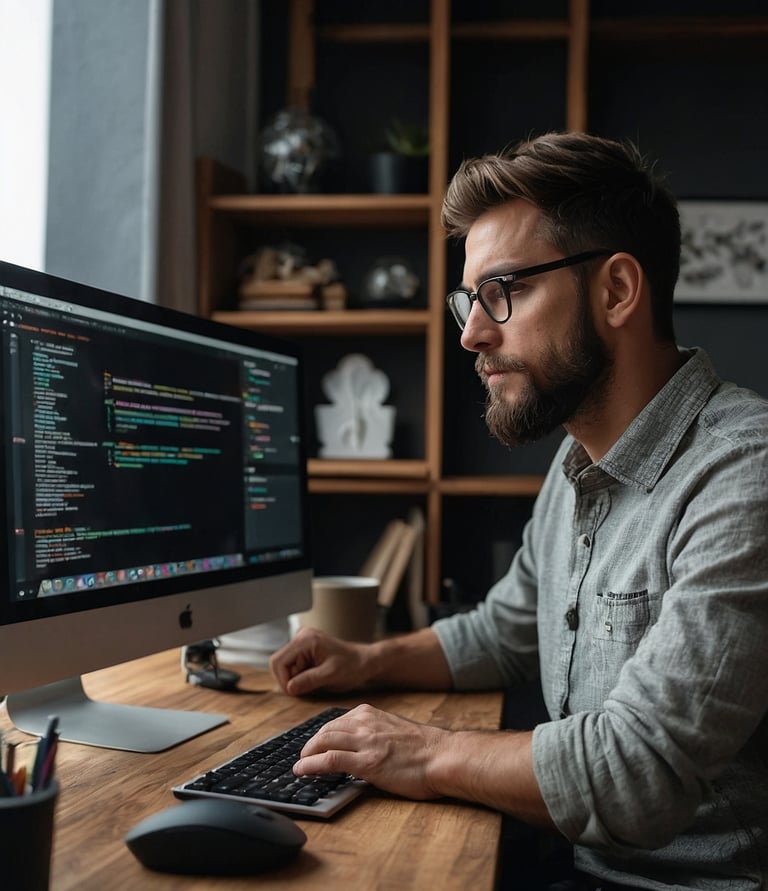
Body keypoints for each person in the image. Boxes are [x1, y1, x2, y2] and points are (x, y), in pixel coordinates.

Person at [269, 132, 768, 890]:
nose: (471, 331)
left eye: (504, 290)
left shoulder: (743, 472)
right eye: (469, 299)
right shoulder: (575, 464)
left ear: (617, 291)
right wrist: (370, 661)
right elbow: (501, 632)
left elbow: (639, 769)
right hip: (570, 860)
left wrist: (423, 750)